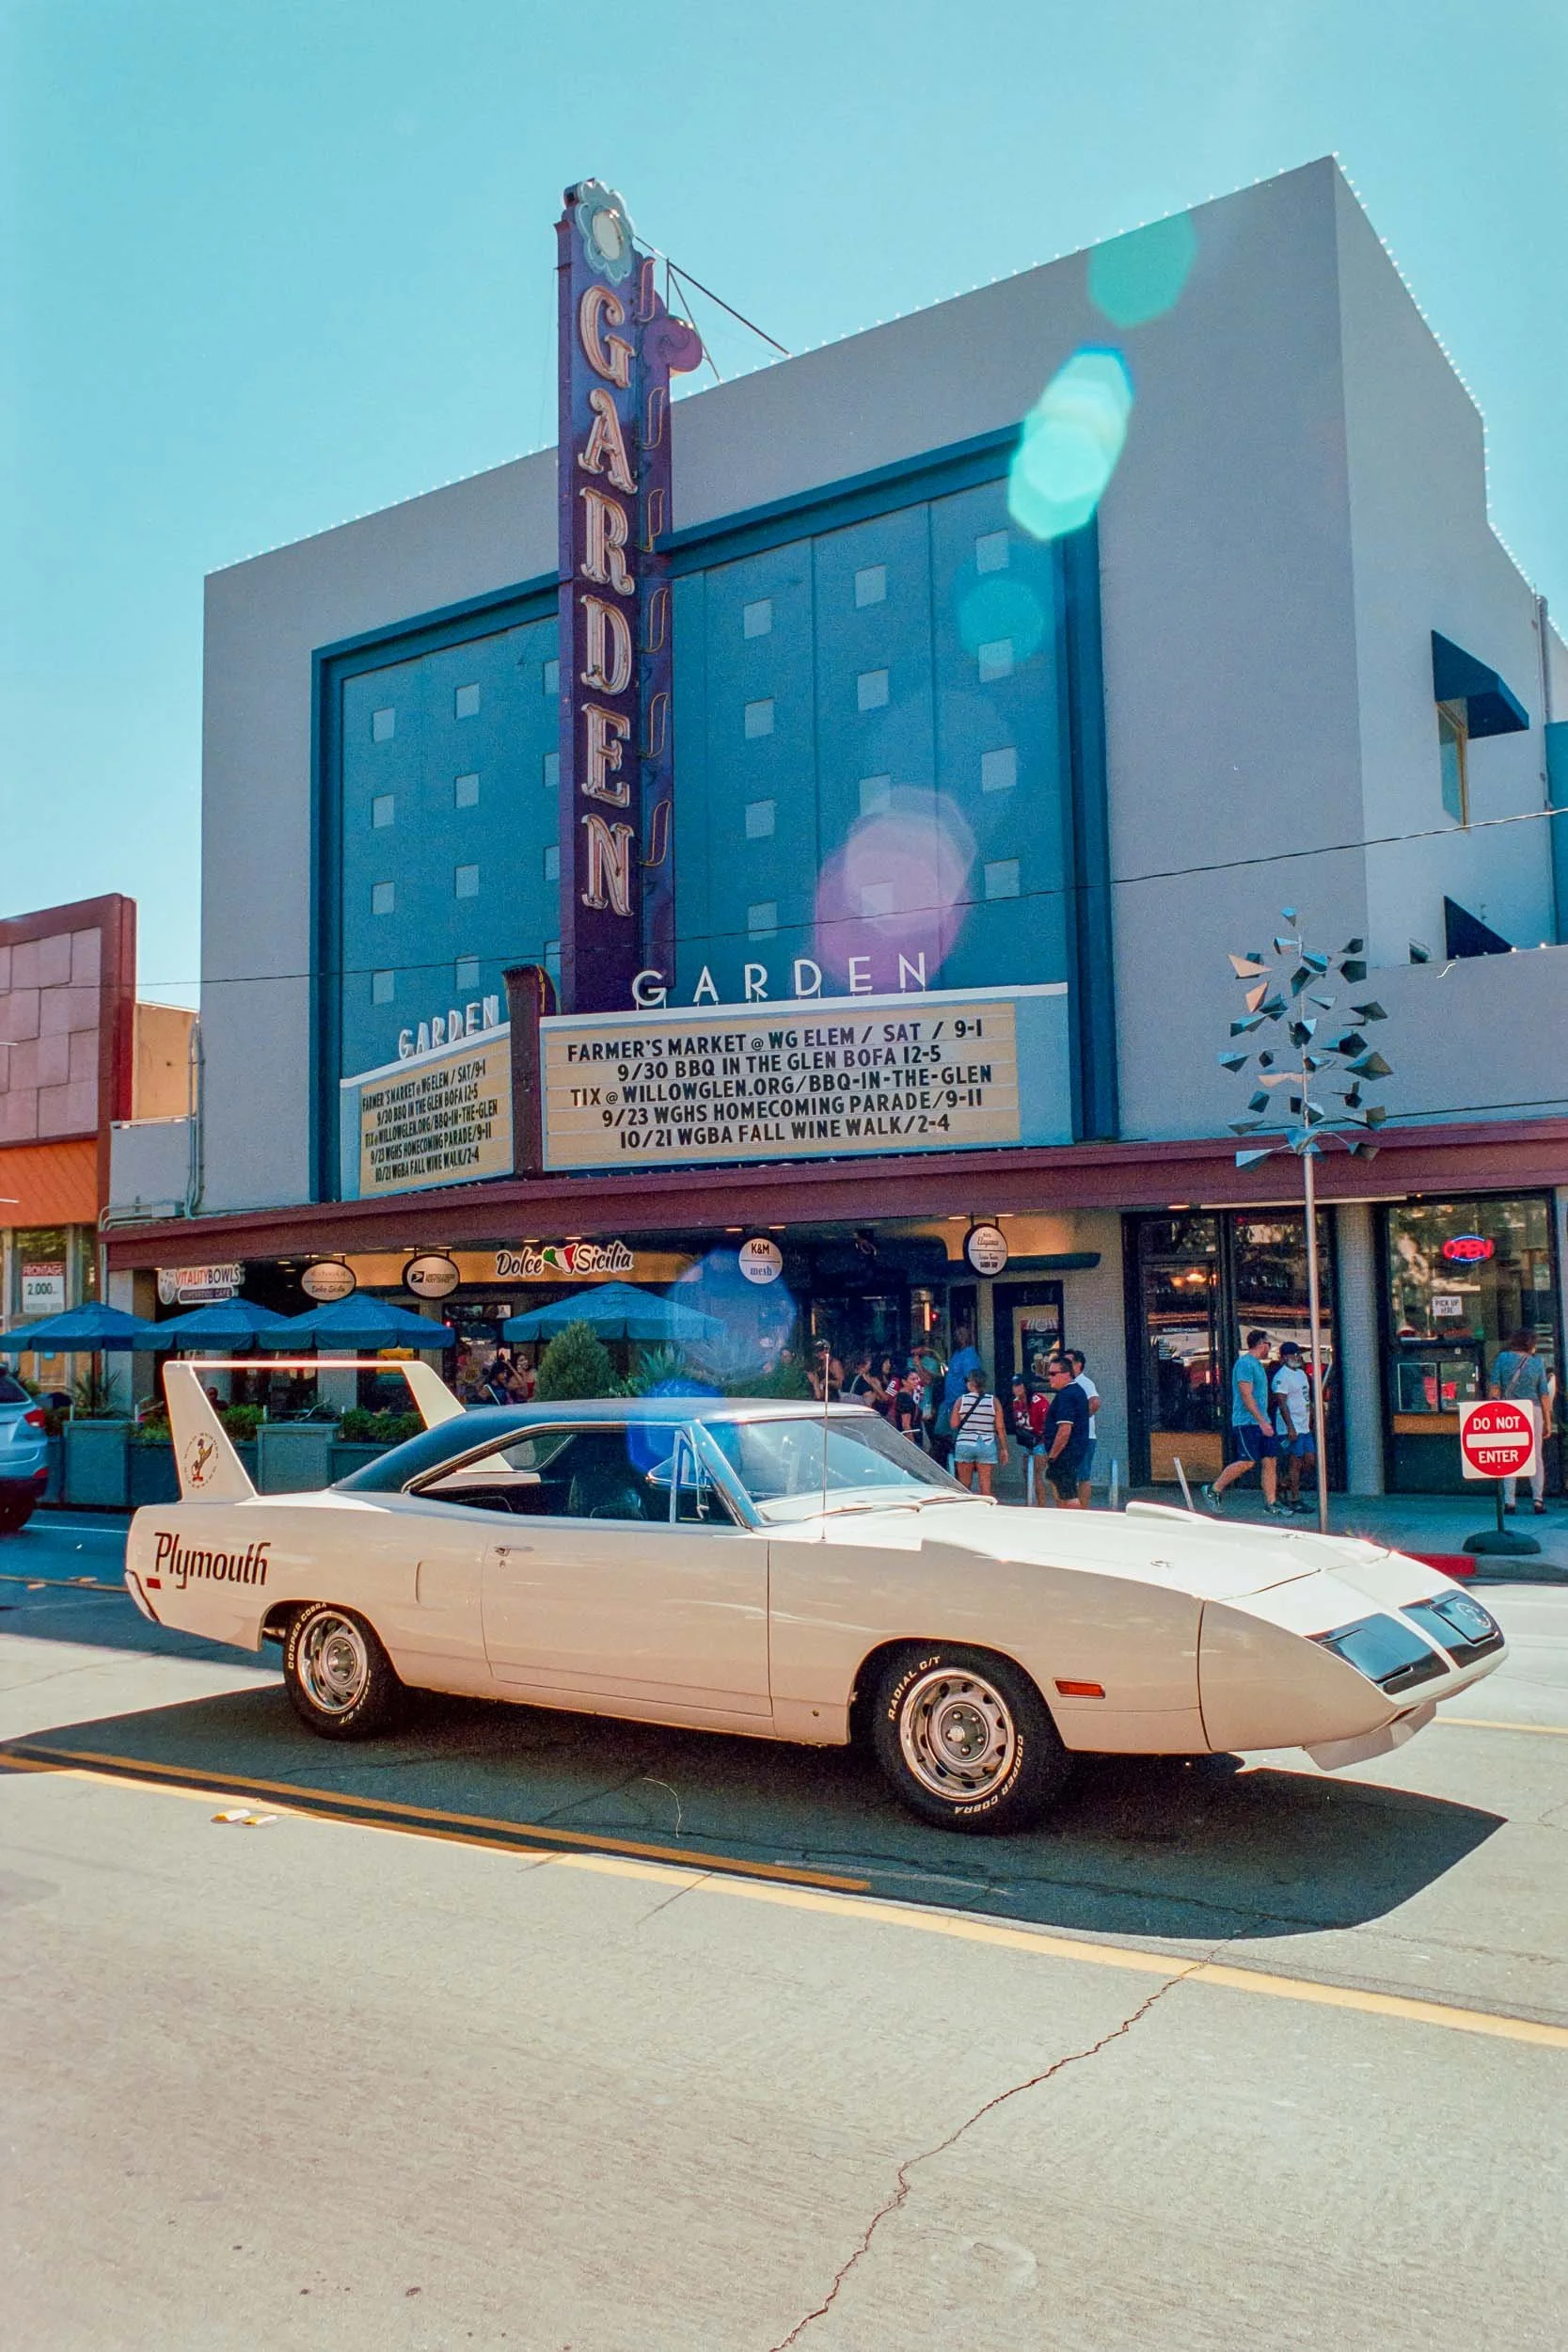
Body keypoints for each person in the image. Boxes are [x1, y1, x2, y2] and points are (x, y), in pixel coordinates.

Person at [1202, 1330, 1280, 1514]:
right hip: (1247, 1422)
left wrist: (1264, 1421)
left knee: (1270, 1460)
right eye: (1268, 1344)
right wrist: (1261, 1421)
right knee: (1248, 1461)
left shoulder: (1258, 1365)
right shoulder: (1245, 1364)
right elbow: (1246, 1394)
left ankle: (1271, 1503)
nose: (1270, 1347)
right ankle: (1214, 1489)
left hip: (1262, 1421)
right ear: (1262, 1344)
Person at [1489, 1328, 1552, 1515]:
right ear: (1530, 1344)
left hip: (1509, 1410)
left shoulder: (1502, 1359)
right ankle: (1538, 1500)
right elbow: (1544, 1394)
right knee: (1536, 1456)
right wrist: (1548, 1421)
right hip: (1533, 1410)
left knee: (1510, 1455)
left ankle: (1510, 1501)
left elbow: (1495, 1388)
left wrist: (1495, 1411)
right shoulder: (1537, 1363)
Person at [1037, 1354, 1090, 1506]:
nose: (1050, 1378)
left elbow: (1064, 1430)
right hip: (1070, 1452)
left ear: (1067, 1374)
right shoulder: (1076, 1392)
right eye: (1048, 1374)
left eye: (1053, 1374)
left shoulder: (1067, 1395)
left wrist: (1052, 1456)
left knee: (1068, 1494)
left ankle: (1076, 1525)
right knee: (1061, 1491)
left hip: (1065, 1454)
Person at [1270, 1341, 1315, 1514]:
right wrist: (1290, 1428)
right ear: (1284, 1357)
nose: (1297, 1357)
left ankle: (1283, 1483)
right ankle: (1295, 1498)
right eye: (1293, 1354)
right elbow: (1281, 1403)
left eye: (1298, 1353)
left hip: (1304, 1426)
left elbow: (1306, 1398)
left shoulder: (1301, 1374)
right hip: (1291, 1427)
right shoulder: (1282, 1377)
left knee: (1310, 1460)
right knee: (1295, 1462)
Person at [949, 1367, 1007, 1495]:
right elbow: (1000, 1427)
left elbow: (953, 1425)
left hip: (965, 1443)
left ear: (971, 1383)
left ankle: (967, 1512)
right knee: (986, 1487)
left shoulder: (961, 1401)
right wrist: (1004, 1448)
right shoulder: (993, 1401)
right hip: (986, 1444)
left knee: (965, 1487)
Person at [1068, 1348, 1099, 1506]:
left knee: (1083, 1476)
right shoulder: (1069, 1383)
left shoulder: (1084, 1383)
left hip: (1083, 1437)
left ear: (1078, 1365)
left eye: (1068, 1362)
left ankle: (1083, 1510)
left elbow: (1095, 1402)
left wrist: (1078, 1421)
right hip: (1070, 1437)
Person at [1007, 1374, 1039, 1502]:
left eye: (1018, 1385)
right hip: (1027, 1440)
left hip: (1040, 1440)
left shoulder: (1038, 1401)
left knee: (1037, 1474)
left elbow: (1045, 1423)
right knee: (1026, 1470)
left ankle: (1041, 1504)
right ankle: (1029, 1500)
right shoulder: (1016, 1403)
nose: (1015, 1388)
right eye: (1014, 1385)